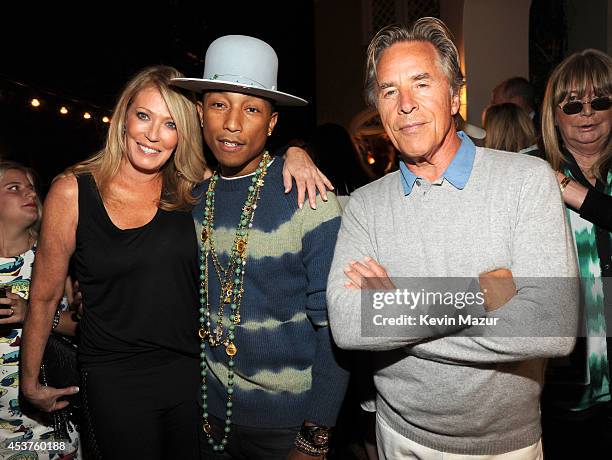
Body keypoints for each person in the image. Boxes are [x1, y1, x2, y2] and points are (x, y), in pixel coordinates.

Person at [19, 65, 332, 459]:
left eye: (170, 124)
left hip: (191, 376)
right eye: (144, 116)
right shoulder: (72, 191)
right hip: (114, 378)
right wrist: (29, 382)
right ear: (122, 117)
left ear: (185, 131)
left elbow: (248, 168)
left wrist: (295, 154)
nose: (153, 135)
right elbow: (45, 297)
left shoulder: (192, 185)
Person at [326, 17, 579, 459]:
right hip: (399, 439)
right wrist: (484, 292)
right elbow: (348, 324)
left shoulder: (527, 181)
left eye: (421, 84)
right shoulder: (366, 204)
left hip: (506, 447)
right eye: (389, 91)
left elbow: (552, 327)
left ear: (455, 95)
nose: (405, 104)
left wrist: (394, 311)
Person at [171, 34, 350, 459]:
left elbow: (336, 329)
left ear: (271, 123)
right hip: (210, 416)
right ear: (200, 113)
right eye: (219, 105)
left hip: (288, 427)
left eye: (251, 109)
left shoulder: (309, 198)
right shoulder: (192, 201)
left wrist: (314, 435)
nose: (232, 123)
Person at [538, 48, 612, 459]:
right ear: (554, 113)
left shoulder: (551, 179)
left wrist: (568, 189)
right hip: (558, 388)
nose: (587, 113)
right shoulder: (527, 174)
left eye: (600, 101)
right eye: (572, 104)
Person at [0, 161, 80, 459]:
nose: (29, 193)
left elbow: (83, 326)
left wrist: (33, 314)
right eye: (14, 187)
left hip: (45, 416)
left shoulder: (52, 257)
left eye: (31, 187)